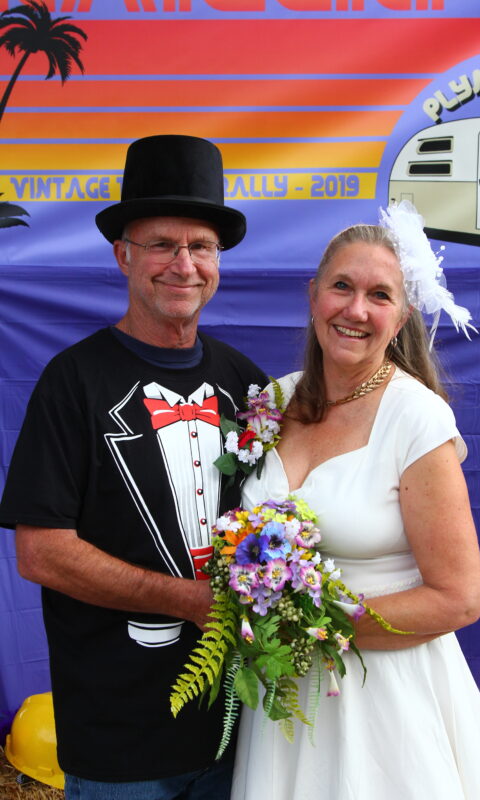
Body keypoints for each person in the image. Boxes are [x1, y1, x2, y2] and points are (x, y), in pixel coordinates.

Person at [0, 135, 267, 800]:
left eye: (200, 247)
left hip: (241, 733)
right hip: (118, 740)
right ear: (123, 255)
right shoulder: (73, 381)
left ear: (218, 261)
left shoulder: (247, 383)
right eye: (161, 245)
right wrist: (188, 600)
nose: (184, 265)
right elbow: (42, 552)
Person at [230, 202, 480, 800]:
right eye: (342, 286)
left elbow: (460, 598)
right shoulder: (273, 402)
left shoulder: (416, 419)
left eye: (379, 295)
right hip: (286, 700)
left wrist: (314, 625)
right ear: (314, 295)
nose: (356, 309)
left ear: (401, 316)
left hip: (382, 698)